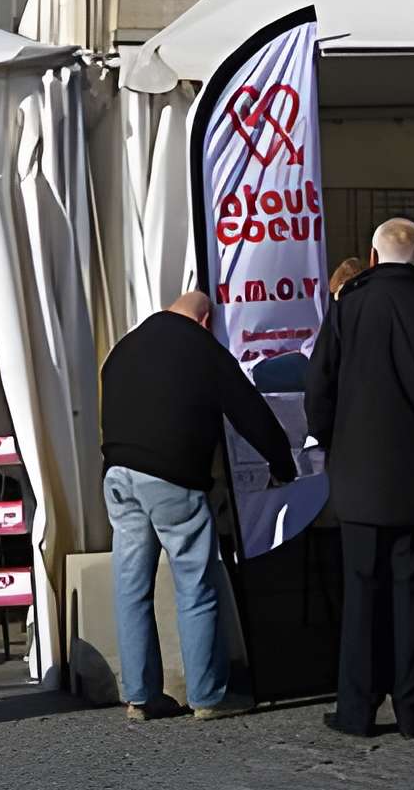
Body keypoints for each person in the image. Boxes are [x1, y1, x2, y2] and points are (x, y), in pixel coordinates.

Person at [304, 217, 414, 741]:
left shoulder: (347, 310)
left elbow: (319, 388)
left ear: (373, 257)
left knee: (361, 591)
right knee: (412, 591)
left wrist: (333, 439)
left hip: (358, 473)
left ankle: (356, 710)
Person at [98, 290, 295, 722]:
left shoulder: (125, 346)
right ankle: (208, 695)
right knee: (196, 583)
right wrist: (284, 464)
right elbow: (250, 411)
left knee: (131, 586)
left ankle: (141, 697)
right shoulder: (201, 347)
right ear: (206, 322)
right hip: (172, 478)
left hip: (118, 475)